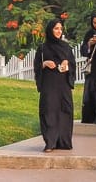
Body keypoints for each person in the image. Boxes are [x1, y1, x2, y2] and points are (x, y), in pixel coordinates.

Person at [34, 17, 75, 152]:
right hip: (49, 85)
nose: (58, 31)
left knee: (65, 110)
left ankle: (63, 141)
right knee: (49, 110)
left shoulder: (66, 47)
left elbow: (73, 65)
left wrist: (67, 65)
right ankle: (50, 142)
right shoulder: (43, 48)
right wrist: (44, 64)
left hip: (63, 84)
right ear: (50, 30)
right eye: (56, 28)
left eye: (60, 29)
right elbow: (36, 66)